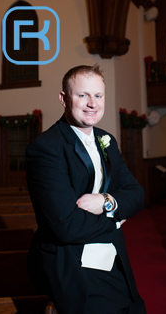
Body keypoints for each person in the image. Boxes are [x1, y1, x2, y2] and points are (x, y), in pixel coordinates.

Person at [26, 65, 146, 313]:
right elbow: (66, 226)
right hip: (72, 264)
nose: (92, 103)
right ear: (64, 98)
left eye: (98, 96)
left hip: (113, 257)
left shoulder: (107, 140)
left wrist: (107, 201)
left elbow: (137, 194)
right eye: (82, 95)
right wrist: (115, 221)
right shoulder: (47, 148)